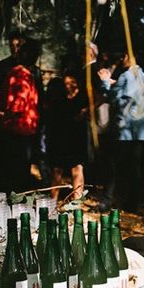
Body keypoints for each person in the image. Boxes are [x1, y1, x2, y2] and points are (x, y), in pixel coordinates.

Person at [97, 53, 144, 211]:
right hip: (140, 130)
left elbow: (112, 99)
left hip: (125, 130)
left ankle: (106, 202)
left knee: (112, 166)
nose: (122, 59)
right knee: (134, 168)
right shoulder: (143, 76)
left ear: (131, 56)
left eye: (124, 56)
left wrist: (105, 83)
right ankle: (132, 203)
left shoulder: (126, 76)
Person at [0, 40, 42, 192]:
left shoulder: (18, 74)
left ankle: (12, 206)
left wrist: (3, 116)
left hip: (15, 129)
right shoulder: (27, 75)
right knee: (20, 172)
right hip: (24, 129)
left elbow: (17, 106)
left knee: (11, 174)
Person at [45, 71, 88, 201]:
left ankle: (77, 204)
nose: (69, 86)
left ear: (78, 82)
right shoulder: (59, 96)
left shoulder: (84, 96)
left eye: (72, 82)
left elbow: (101, 98)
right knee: (57, 170)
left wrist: (84, 111)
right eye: (66, 83)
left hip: (77, 137)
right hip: (60, 137)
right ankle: (52, 203)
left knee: (77, 169)